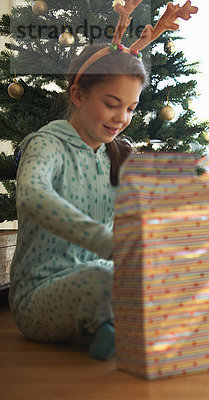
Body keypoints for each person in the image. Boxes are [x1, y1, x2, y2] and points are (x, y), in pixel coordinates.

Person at [8, 42, 147, 360]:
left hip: (102, 274)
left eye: (130, 108)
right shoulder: (47, 144)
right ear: (78, 96)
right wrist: (105, 241)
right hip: (40, 296)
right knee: (103, 280)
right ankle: (113, 325)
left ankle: (109, 329)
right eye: (112, 104)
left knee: (143, 276)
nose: (122, 117)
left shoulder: (118, 155)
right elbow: (32, 196)